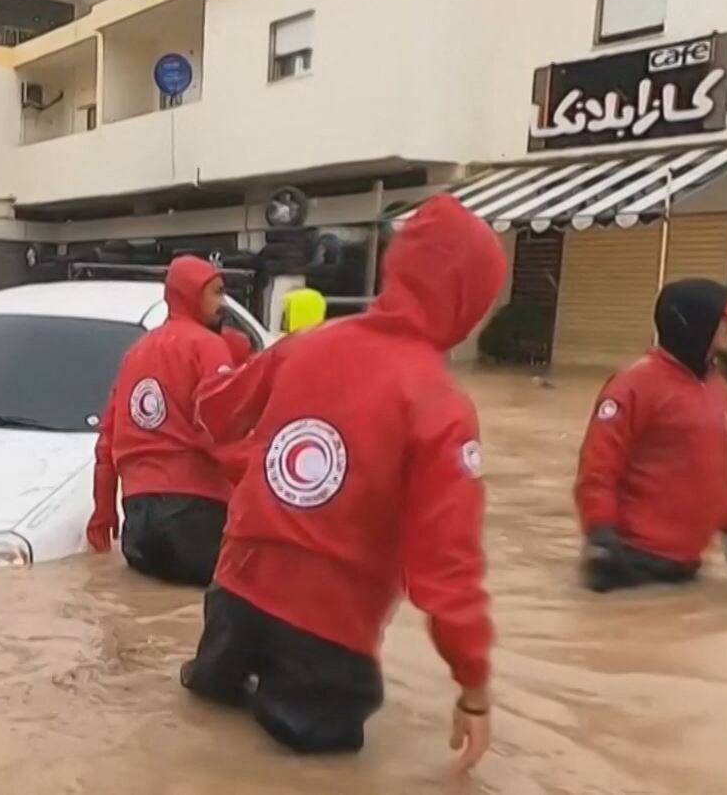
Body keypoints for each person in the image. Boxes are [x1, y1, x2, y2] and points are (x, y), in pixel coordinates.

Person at [180, 194, 506, 770]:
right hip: (326, 632)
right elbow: (446, 569)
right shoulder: (442, 406)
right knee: (313, 773)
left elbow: (214, 413)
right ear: (470, 298)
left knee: (203, 739)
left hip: (233, 599)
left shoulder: (304, 346)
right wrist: (473, 688)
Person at [574, 278, 727, 594]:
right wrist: (600, 534)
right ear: (696, 325)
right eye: (723, 320)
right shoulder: (633, 386)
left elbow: (714, 467)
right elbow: (598, 466)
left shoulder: (716, 389)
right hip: (632, 564)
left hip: (686, 568)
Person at [86, 255, 237, 587]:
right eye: (216, 293)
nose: (221, 303)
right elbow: (221, 428)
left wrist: (103, 509)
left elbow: (108, 439)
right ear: (192, 295)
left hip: (138, 519)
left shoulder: (134, 353)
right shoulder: (209, 346)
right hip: (198, 514)